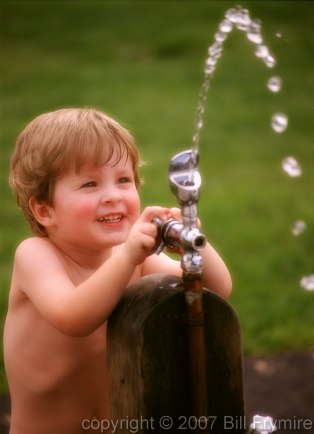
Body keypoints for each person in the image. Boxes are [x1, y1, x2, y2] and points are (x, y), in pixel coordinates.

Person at [3, 108, 232, 434]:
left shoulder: (136, 260)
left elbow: (217, 291)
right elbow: (74, 317)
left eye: (124, 180)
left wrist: (194, 245)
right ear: (44, 209)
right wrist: (126, 257)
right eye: (90, 184)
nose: (112, 196)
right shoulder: (36, 256)